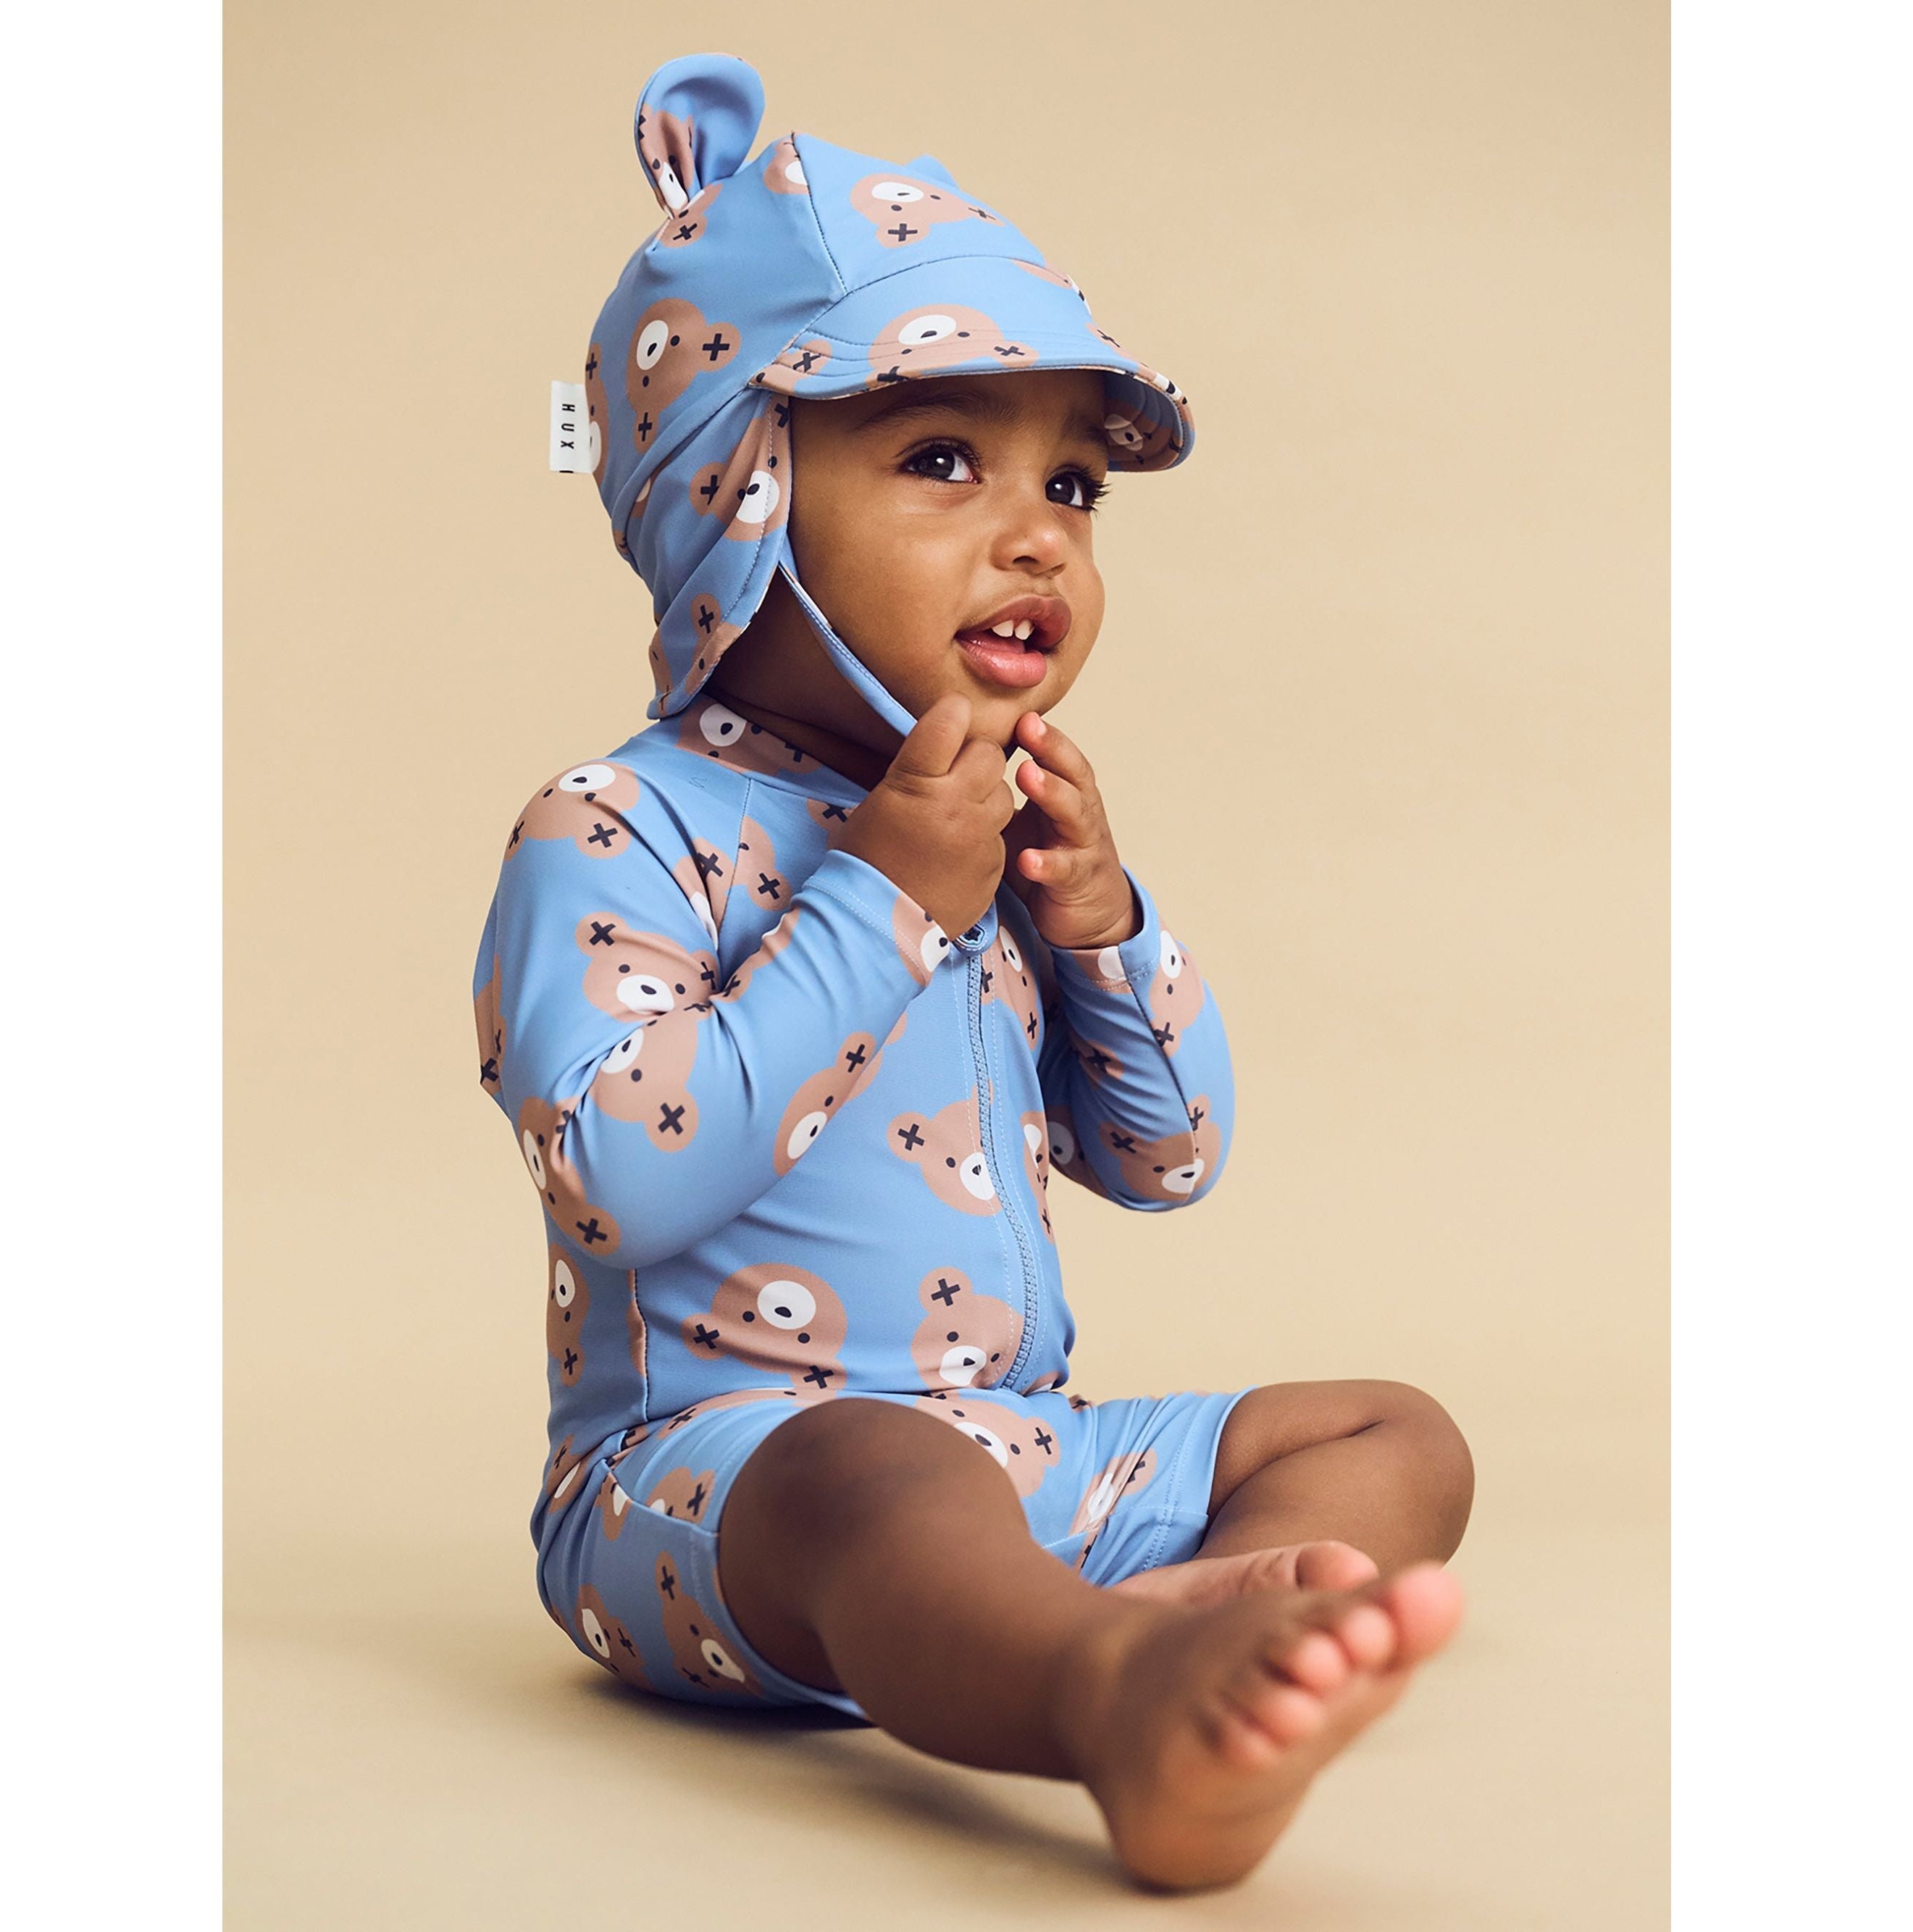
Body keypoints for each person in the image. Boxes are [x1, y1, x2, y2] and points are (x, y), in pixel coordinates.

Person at [472, 51, 1474, 1892]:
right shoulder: (614, 825)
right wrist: (878, 899)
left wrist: (1096, 923)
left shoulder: (989, 821)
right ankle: (1109, 1698)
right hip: (721, 1484)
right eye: (942, 459)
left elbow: (1163, 1162)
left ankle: (1168, 1622)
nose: (1037, 535)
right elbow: (614, 1177)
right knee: (878, 1474)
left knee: (1389, 1435)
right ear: (734, 500)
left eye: (1071, 483)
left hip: (1022, 1447)